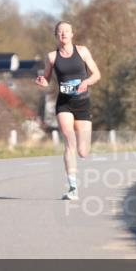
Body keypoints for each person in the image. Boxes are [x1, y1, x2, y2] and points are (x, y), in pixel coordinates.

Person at [36, 21, 101, 200]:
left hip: (82, 103)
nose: (63, 33)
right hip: (64, 103)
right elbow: (47, 80)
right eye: (60, 31)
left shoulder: (83, 51)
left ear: (72, 34)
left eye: (67, 31)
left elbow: (97, 74)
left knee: (83, 151)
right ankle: (73, 187)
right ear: (56, 35)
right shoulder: (52, 57)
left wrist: (86, 82)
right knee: (69, 140)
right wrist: (42, 82)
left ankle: (82, 149)